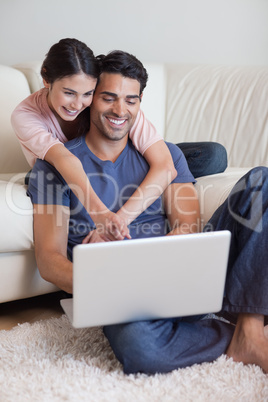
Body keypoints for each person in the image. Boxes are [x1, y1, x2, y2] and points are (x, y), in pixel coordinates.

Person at [27, 50, 268, 375]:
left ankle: (251, 328)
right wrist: (104, 281)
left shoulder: (165, 156)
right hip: (122, 295)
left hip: (182, 272)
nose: (119, 110)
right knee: (141, 349)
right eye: (108, 98)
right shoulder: (52, 168)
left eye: (131, 100)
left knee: (261, 181)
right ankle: (232, 333)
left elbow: (187, 225)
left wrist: (165, 264)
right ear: (90, 98)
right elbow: (49, 259)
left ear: (140, 103)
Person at [12, 38, 226, 240]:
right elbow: (65, 160)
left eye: (87, 94)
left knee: (209, 156)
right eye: (69, 93)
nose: (78, 105)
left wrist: (118, 221)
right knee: (45, 174)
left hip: (112, 158)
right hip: (58, 162)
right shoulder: (26, 115)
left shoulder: (113, 105)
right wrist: (101, 217)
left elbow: (165, 165)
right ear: (46, 80)